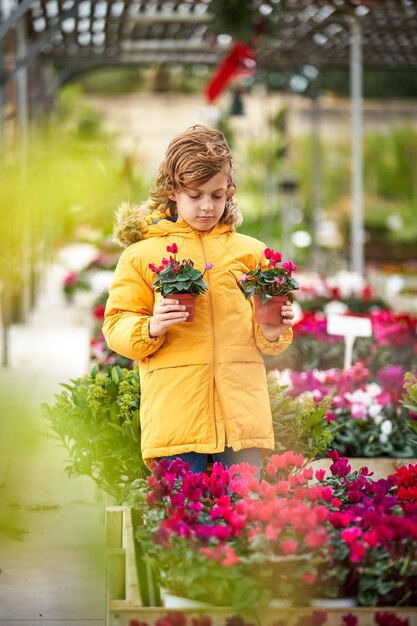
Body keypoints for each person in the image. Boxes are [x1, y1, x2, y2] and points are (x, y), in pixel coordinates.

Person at [103, 124, 294, 475]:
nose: (207, 206)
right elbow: (116, 323)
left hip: (242, 421)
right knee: (179, 520)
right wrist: (151, 325)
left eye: (217, 195)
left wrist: (271, 329)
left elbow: (268, 338)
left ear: (229, 192)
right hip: (177, 420)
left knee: (242, 519)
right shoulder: (141, 255)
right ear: (173, 191)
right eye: (196, 195)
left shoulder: (252, 253)